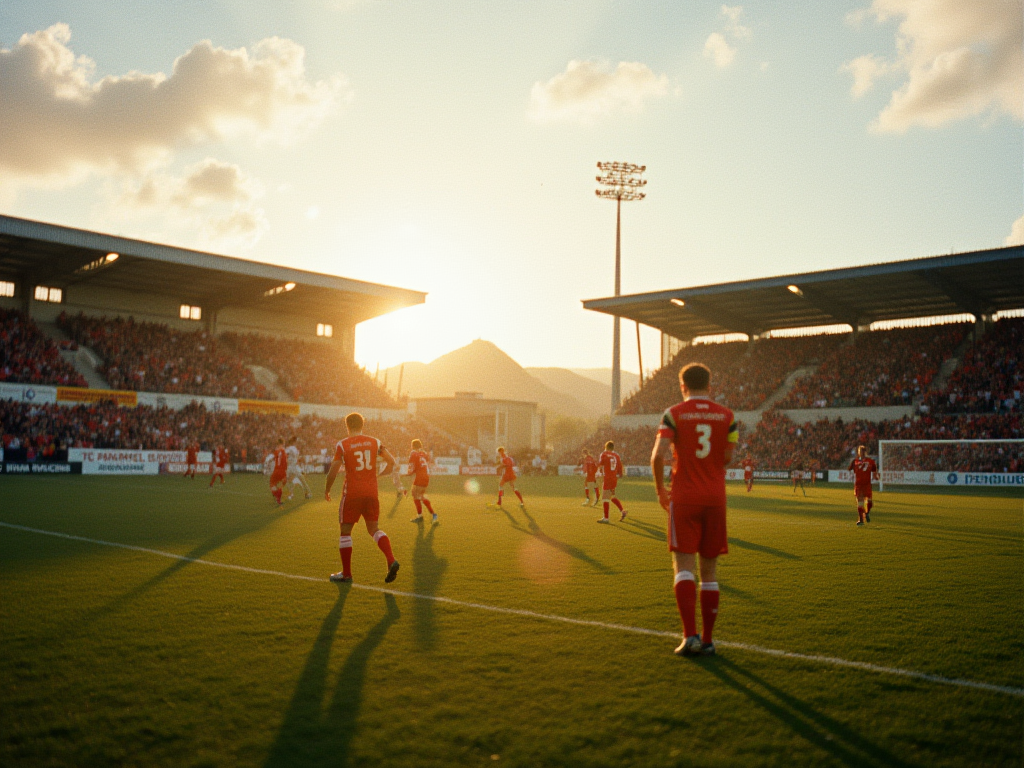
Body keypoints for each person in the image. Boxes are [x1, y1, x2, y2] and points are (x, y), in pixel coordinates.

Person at [651, 362, 737, 657]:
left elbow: (657, 456)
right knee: (709, 573)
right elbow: (727, 457)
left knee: (683, 567)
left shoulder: (673, 414)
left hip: (685, 496)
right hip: (715, 498)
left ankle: (690, 637)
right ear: (709, 386)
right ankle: (709, 640)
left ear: (682, 386)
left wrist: (662, 490)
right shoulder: (728, 417)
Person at [325, 412, 400, 584]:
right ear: (362, 425)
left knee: (345, 531)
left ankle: (347, 573)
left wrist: (327, 490)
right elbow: (392, 462)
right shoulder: (375, 441)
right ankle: (391, 560)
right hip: (371, 492)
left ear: (347, 426)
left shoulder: (343, 445)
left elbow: (334, 470)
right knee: (374, 529)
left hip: (352, 493)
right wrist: (379, 476)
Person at [407, 439, 438, 524]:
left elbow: (412, 467)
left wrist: (408, 473)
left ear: (413, 446)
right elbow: (427, 463)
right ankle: (421, 515)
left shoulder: (413, 453)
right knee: (418, 495)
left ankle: (432, 514)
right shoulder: (424, 453)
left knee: (417, 496)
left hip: (420, 477)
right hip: (425, 477)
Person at [596, 441, 626, 523]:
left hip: (608, 478)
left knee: (605, 497)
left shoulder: (604, 454)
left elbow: (600, 463)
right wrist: (619, 474)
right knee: (611, 496)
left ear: (606, 447)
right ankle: (622, 511)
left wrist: (598, 472)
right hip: (614, 478)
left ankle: (606, 518)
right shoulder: (616, 456)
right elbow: (620, 467)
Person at [849, 445, 878, 526]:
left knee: (869, 501)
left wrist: (876, 476)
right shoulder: (855, 461)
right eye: (859, 451)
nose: (860, 453)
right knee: (860, 502)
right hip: (859, 484)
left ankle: (867, 512)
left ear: (865, 452)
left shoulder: (870, 461)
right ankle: (861, 520)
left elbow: (874, 471)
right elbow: (851, 469)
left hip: (866, 484)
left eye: (861, 451)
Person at [285, 436, 311, 500]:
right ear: (294, 442)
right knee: (302, 479)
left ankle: (291, 494)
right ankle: (307, 493)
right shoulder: (293, 448)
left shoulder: (289, 449)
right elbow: (292, 457)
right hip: (293, 466)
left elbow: (287, 457)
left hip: (289, 467)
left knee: (288, 481)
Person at [269, 438, 288, 506]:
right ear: (283, 443)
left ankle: (276, 495)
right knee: (281, 485)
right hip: (282, 471)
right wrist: (285, 472)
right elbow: (285, 462)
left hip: (276, 470)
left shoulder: (276, 451)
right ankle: (278, 499)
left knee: (272, 483)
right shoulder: (283, 451)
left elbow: (274, 459)